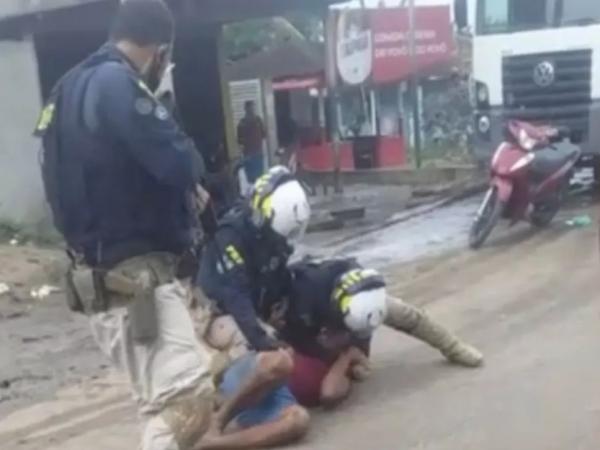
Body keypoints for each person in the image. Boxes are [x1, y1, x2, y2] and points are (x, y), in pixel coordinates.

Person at [34, 1, 216, 449]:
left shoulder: (65, 88)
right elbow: (180, 164)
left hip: (101, 281)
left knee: (158, 404)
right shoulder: (119, 86)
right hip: (136, 281)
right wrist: (166, 108)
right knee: (189, 399)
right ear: (160, 51)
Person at [275, 258, 484, 408]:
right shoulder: (303, 304)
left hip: (350, 310)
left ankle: (453, 348)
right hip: (311, 325)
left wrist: (454, 348)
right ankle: (348, 357)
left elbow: (414, 319)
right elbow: (287, 333)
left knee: (398, 318)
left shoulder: (365, 297)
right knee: (331, 366)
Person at [195, 315, 310, 449]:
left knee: (300, 419)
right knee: (281, 362)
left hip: (263, 398)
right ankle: (220, 418)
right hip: (249, 361)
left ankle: (212, 444)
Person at [237, 101, 266, 183]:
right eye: (252, 108)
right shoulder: (257, 121)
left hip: (252, 154)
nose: (253, 110)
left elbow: (240, 142)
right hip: (254, 154)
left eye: (253, 108)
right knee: (257, 178)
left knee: (252, 179)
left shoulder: (243, 123)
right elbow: (264, 135)